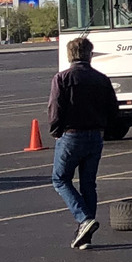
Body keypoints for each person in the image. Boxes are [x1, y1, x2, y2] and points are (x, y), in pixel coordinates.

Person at [46, 36, 122, 248]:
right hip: (95, 135)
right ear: (90, 54)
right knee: (88, 183)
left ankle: (84, 219)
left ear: (70, 55)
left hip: (72, 134)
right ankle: (85, 234)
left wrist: (55, 130)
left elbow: (55, 108)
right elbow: (113, 110)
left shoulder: (62, 78)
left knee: (60, 179)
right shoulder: (101, 78)